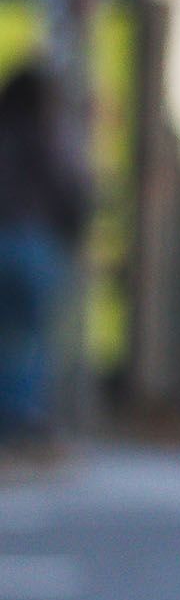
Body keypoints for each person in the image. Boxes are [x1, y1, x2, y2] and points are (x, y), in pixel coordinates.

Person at [0, 64, 87, 438]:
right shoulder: (45, 134)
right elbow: (69, 189)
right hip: (34, 243)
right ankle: (24, 418)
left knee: (9, 333)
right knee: (34, 336)